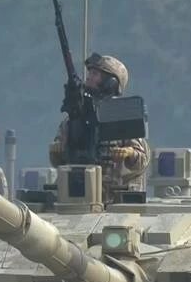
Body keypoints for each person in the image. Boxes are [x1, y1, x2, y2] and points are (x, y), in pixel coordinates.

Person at [49, 53, 149, 204]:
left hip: (114, 200)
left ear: (111, 82)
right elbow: (58, 162)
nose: (88, 77)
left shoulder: (122, 117)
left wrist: (129, 152)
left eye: (95, 74)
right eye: (89, 73)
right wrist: (57, 149)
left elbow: (142, 160)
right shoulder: (74, 120)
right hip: (76, 199)